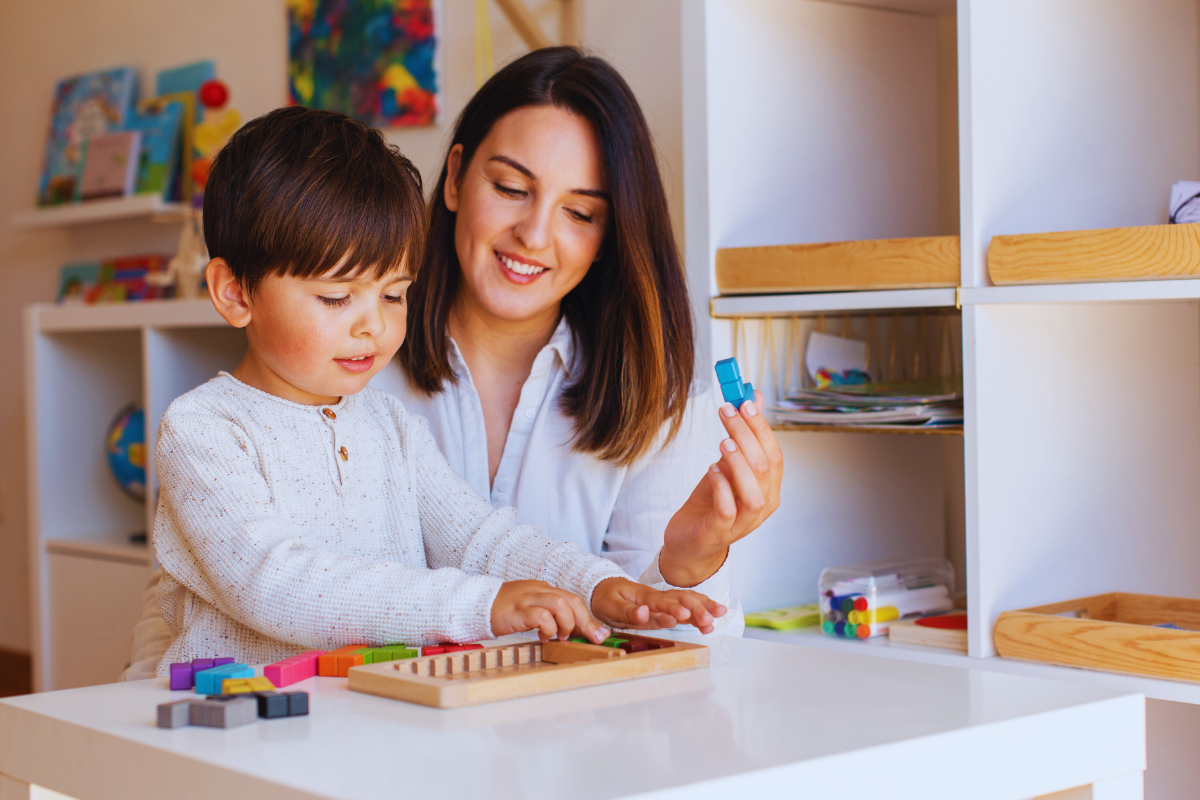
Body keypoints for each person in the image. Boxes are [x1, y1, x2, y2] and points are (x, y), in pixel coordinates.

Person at [145, 106, 726, 674]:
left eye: (393, 295)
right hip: (233, 732)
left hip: (370, 725)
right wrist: (480, 606)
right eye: (335, 298)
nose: (373, 324)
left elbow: (482, 538)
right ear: (234, 293)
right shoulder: (205, 429)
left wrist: (598, 587)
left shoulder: (389, 424)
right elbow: (274, 584)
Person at [373, 48, 784, 635]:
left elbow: (672, 674)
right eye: (512, 187)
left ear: (608, 235)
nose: (534, 235)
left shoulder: (657, 402)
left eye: (580, 213)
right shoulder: (354, 362)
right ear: (458, 177)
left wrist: (689, 563)